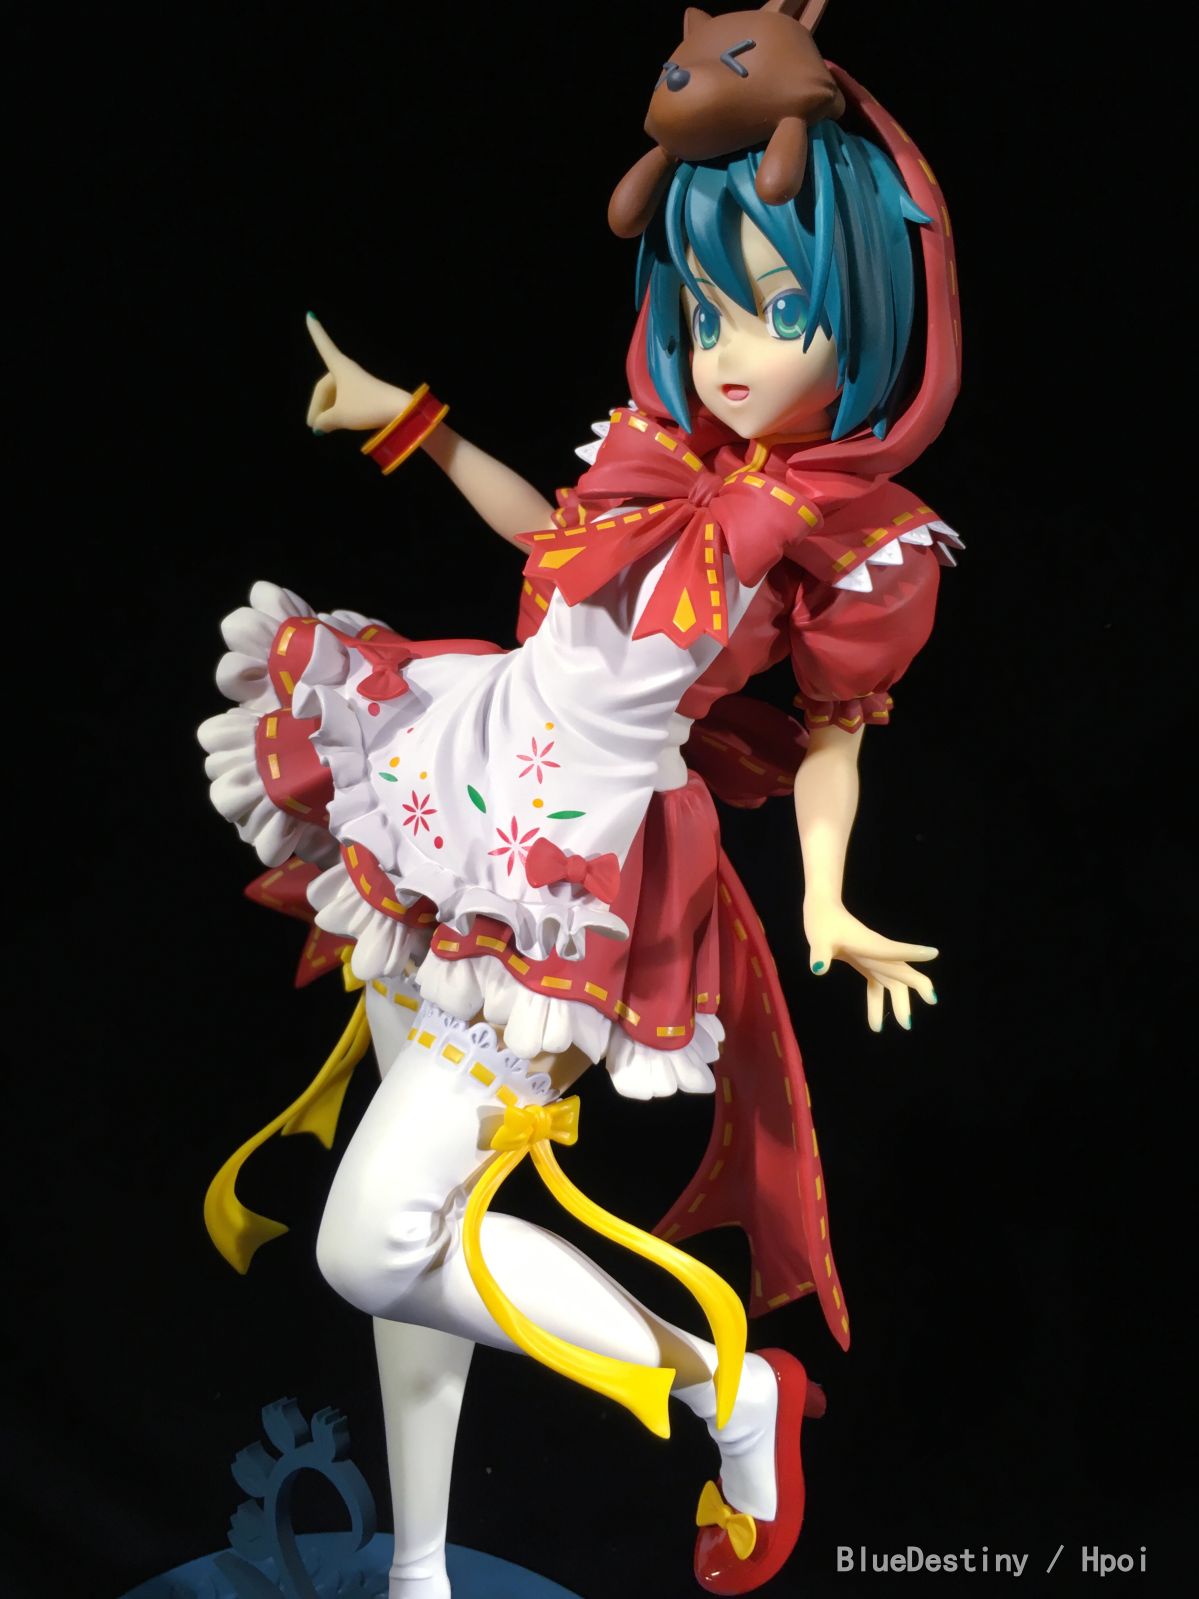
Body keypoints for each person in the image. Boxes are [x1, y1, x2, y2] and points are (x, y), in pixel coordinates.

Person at [199, 48, 962, 1599]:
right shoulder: (653, 452)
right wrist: (411, 425)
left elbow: (835, 734)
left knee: (372, 1240)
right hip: (449, 772)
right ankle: (420, 1571)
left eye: (781, 313)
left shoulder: (846, 541)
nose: (733, 350)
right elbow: (552, 552)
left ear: (869, 320)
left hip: (576, 884)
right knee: (413, 1242)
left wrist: (824, 898)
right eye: (710, 306)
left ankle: (725, 1392)